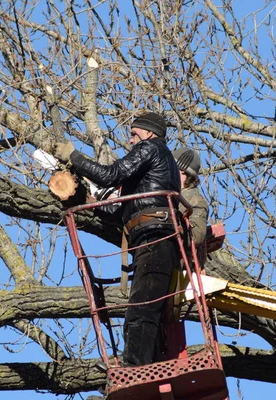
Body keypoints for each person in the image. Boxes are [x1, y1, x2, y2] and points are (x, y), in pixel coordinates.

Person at [53, 112, 181, 367]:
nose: (131, 141)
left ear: (149, 133)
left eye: (134, 134)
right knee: (144, 306)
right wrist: (85, 201)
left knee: (142, 307)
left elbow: (111, 174)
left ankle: (133, 365)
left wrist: (73, 156)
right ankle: (144, 364)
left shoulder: (151, 148)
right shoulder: (149, 176)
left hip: (155, 238)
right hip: (149, 237)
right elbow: (118, 212)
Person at [173, 147, 209, 251]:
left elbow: (196, 236)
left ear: (182, 170)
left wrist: (169, 228)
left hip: (175, 261)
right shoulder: (162, 192)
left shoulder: (196, 201)